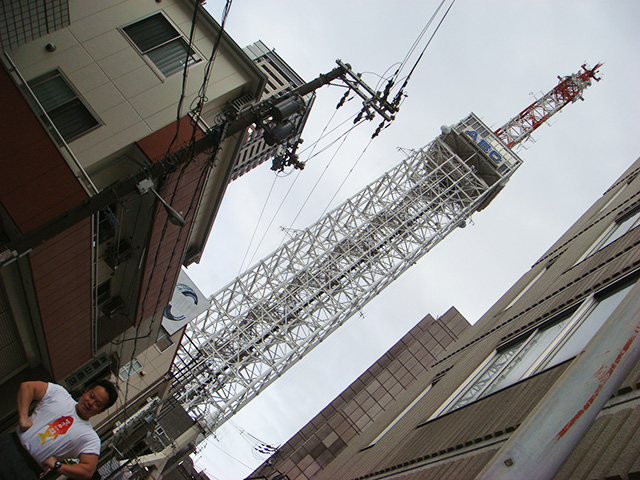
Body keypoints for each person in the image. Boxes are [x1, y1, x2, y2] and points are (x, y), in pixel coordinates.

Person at [0, 379, 118, 480]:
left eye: (97, 404)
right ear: (86, 391)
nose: (90, 403)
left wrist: (58, 466)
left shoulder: (90, 438)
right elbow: (28, 387)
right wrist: (23, 416)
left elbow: (87, 471)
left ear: (101, 411)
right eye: (91, 396)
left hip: (27, 470)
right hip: (9, 444)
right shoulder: (59, 394)